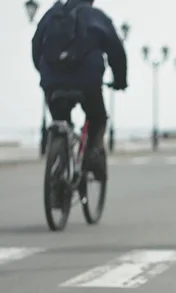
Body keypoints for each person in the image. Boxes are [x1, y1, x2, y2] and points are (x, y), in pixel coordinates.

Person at [31, 0, 128, 181]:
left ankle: (59, 166)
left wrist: (45, 74)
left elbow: (36, 45)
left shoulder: (51, 15)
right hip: (87, 81)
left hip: (52, 81)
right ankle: (92, 154)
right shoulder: (96, 17)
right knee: (97, 118)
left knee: (60, 121)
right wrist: (120, 81)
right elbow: (116, 51)